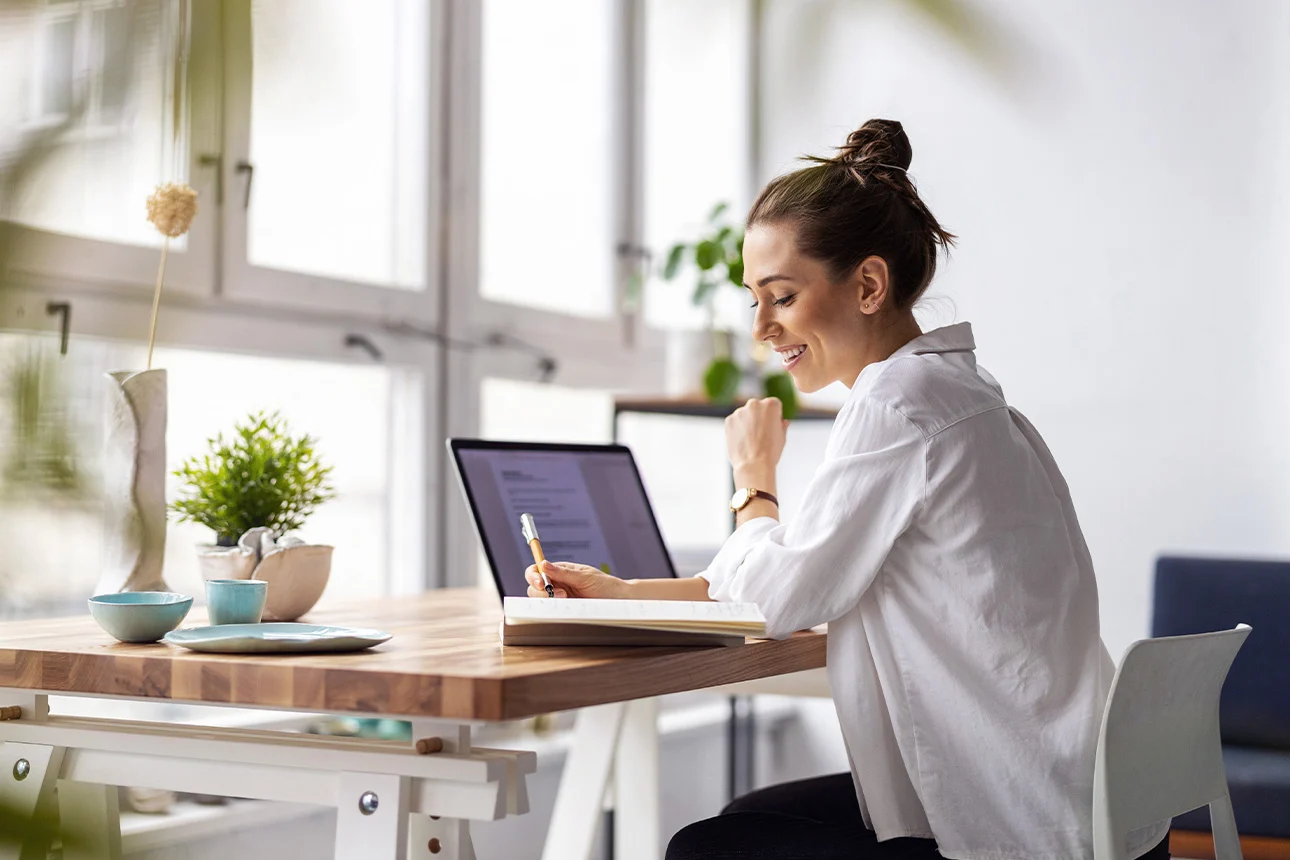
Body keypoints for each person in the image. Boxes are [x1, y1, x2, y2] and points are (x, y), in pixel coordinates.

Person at [525, 119, 1170, 860]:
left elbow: (776, 598)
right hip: (1084, 810)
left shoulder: (898, 405)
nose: (762, 327)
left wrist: (752, 480)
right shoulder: (960, 392)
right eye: (753, 301)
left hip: (1017, 829)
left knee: (709, 848)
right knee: (746, 819)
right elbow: (793, 574)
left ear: (867, 284)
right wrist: (622, 593)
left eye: (782, 296)